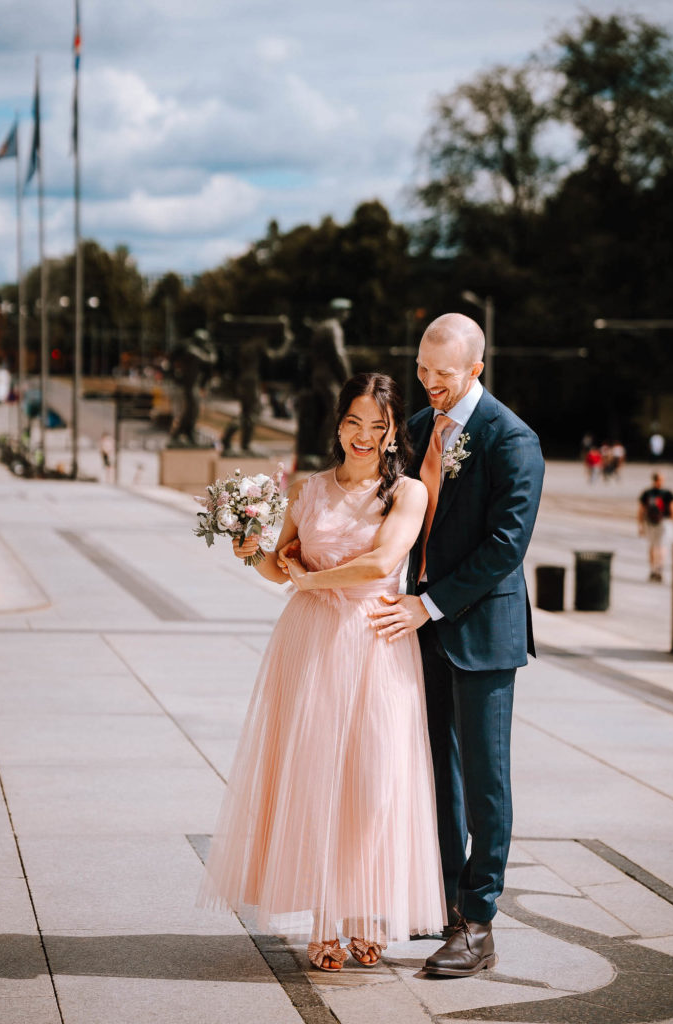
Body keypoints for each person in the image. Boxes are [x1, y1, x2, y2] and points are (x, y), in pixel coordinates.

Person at [198, 372, 445, 971]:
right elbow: (280, 568)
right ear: (338, 425)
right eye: (354, 421)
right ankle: (326, 924)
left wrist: (310, 578)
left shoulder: (406, 494)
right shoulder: (311, 490)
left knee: (372, 780)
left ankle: (368, 912)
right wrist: (250, 549)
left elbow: (381, 562)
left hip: (374, 643)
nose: (364, 435)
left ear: (392, 436)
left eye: (378, 426)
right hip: (309, 642)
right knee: (314, 779)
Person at [369, 313, 544, 978]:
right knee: (433, 772)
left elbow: (506, 547)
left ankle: (480, 922)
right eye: (421, 369)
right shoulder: (416, 430)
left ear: (475, 368)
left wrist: (430, 604)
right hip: (418, 626)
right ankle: (443, 902)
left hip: (480, 632)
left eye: (443, 374)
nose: (429, 383)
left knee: (484, 781)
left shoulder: (512, 439)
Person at [638, 472, 673, 582]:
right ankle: (659, 568)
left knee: (652, 546)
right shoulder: (668, 493)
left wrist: (640, 525)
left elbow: (641, 510)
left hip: (650, 522)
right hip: (664, 522)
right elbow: (672, 509)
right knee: (662, 546)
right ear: (661, 480)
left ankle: (653, 569)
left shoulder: (647, 493)